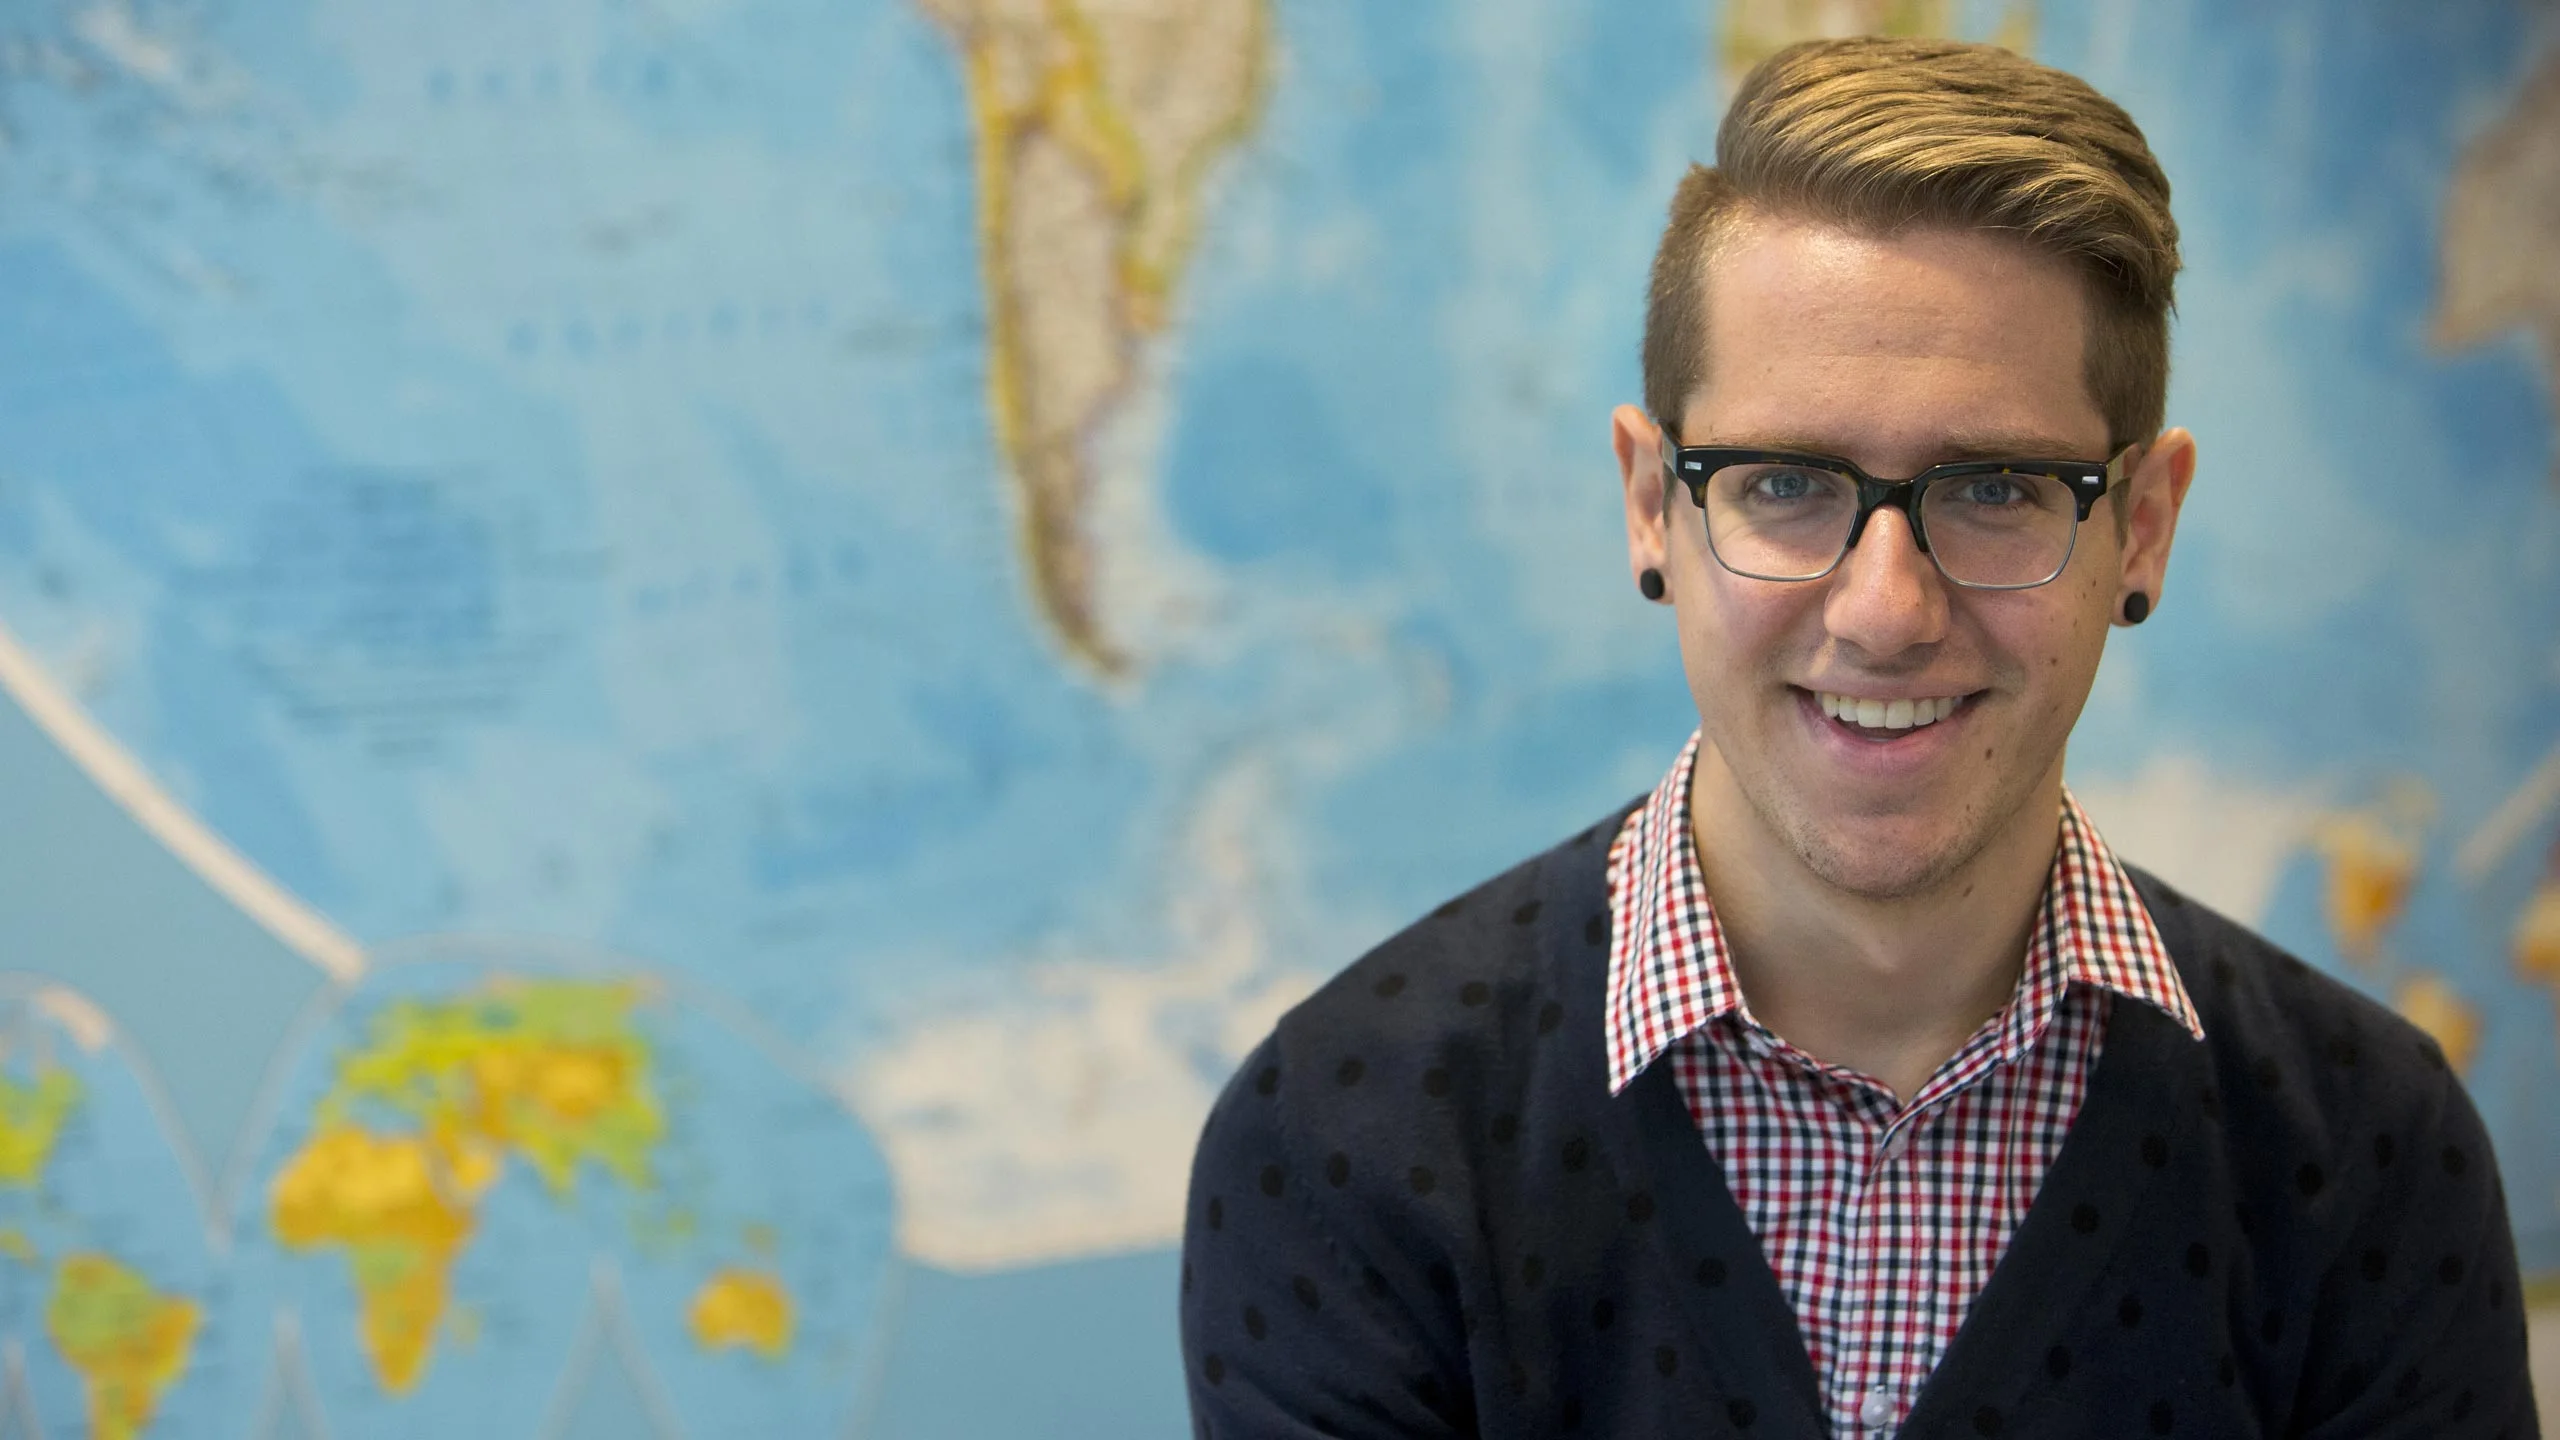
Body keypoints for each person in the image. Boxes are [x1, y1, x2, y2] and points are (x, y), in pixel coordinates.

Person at [1178, 34, 2538, 1440]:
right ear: (1654, 504)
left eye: (1999, 489)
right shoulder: (1341, 1144)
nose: (1885, 612)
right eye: (1783, 485)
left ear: (2140, 528)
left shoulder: (2371, 1154)